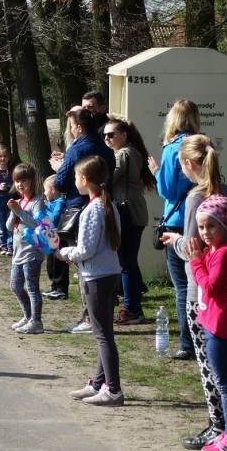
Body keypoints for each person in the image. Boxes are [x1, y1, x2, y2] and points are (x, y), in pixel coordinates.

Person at [162, 134, 227, 451]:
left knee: (210, 366)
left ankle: (220, 426)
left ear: (188, 164)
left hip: (198, 293)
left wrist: (171, 240)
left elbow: (192, 248)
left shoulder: (194, 198)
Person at [59, 156, 124, 406]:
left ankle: (114, 390)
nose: (75, 181)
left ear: (85, 180)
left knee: (103, 334)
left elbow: (86, 249)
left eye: (76, 177)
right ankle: (99, 383)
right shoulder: (107, 205)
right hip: (108, 273)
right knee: (103, 332)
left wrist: (64, 253)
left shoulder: (93, 209)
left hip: (97, 277)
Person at [187, 194, 227, 451]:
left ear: (224, 224)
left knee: (225, 385)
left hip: (222, 327)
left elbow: (210, 287)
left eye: (211, 226)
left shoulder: (225, 253)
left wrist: (195, 261)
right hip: (213, 324)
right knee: (223, 382)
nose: (205, 232)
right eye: (201, 227)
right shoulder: (214, 251)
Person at [50, 107, 116, 332]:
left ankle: (90, 317)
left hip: (79, 207)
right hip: (106, 201)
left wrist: (59, 168)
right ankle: (101, 310)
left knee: (82, 263)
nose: (69, 129)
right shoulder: (104, 146)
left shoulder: (76, 148)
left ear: (79, 127)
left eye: (70, 125)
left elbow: (60, 183)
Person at [148, 99, 200, 359]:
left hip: (178, 221)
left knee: (182, 286)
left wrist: (157, 172)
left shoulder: (172, 148)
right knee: (200, 281)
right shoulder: (203, 143)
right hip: (202, 218)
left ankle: (187, 343)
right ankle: (203, 336)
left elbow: (166, 189)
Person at [104, 118, 155, 325]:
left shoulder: (123, 154)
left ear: (123, 136)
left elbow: (106, 179)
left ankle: (132, 309)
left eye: (111, 135)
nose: (106, 139)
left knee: (126, 264)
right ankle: (134, 306)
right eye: (104, 135)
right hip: (133, 213)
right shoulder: (130, 151)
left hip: (129, 213)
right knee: (128, 263)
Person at [7, 163, 47, 334]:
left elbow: (37, 224)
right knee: (15, 286)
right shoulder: (19, 201)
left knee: (32, 287)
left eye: (23, 180)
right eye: (17, 181)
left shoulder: (37, 202)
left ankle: (36, 322)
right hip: (18, 252)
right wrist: (13, 211)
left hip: (32, 252)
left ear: (32, 181)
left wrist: (20, 212)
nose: (20, 185)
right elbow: (9, 227)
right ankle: (28, 316)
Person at [41, 174, 67, 299]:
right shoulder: (52, 203)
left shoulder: (60, 202)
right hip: (51, 236)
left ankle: (61, 288)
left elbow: (54, 219)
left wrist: (46, 210)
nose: (44, 193)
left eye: (45, 189)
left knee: (59, 263)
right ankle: (54, 286)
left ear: (52, 189)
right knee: (51, 262)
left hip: (59, 236)